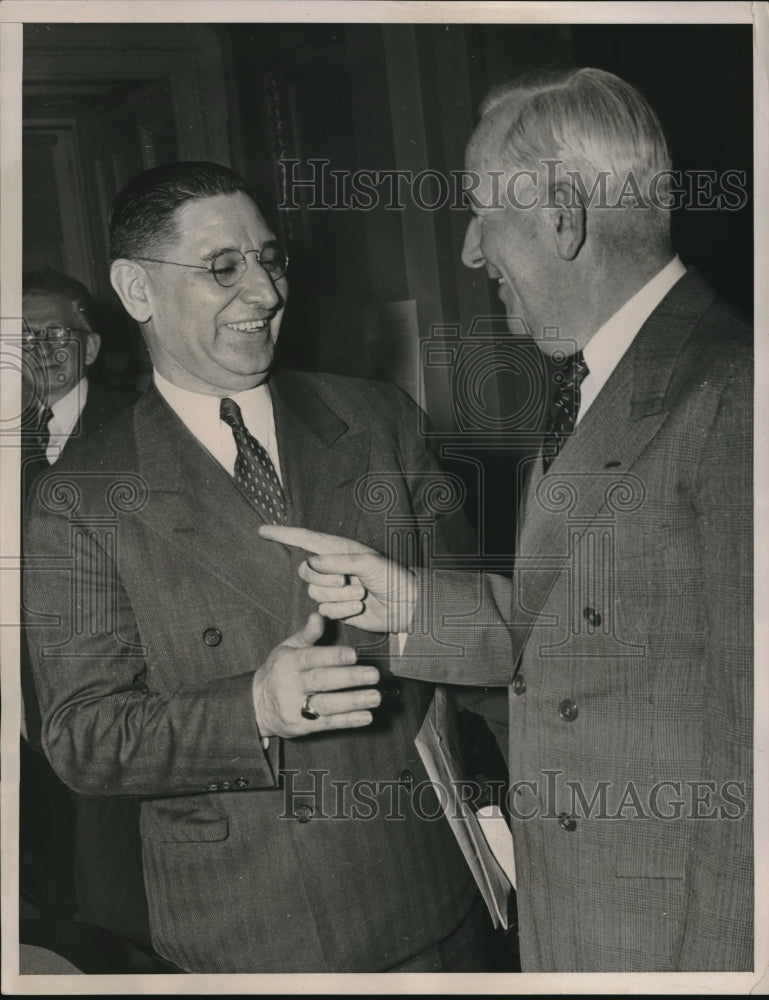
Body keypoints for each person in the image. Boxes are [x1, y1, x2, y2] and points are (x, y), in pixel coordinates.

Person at [261, 67, 754, 972]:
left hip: (670, 949)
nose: (468, 252)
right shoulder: (602, 380)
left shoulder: (735, 393)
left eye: (482, 210)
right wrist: (409, 603)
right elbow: (579, 634)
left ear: (562, 215)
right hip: (579, 918)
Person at [23, 161, 493, 973]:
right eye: (222, 267)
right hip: (245, 928)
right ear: (136, 290)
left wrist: (421, 611)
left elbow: (487, 643)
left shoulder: (377, 419)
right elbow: (82, 738)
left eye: (270, 259)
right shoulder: (80, 495)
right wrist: (251, 709)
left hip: (425, 896)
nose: (267, 292)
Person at [20, 270, 142, 935]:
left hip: (112, 711)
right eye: (18, 336)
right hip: (18, 721)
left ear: (90, 347)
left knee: (118, 905)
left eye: (53, 333)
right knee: (47, 906)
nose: (34, 348)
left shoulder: (145, 429)